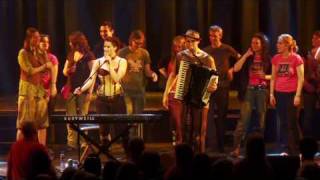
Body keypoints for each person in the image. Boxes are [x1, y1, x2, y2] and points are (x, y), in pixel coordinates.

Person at [74, 37, 128, 153]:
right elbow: (91, 79)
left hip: (117, 98)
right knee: (104, 129)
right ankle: (106, 153)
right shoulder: (98, 61)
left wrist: (109, 64)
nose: (106, 49)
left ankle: (128, 153)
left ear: (115, 48)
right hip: (102, 99)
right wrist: (81, 89)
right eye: (104, 46)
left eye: (108, 46)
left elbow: (116, 78)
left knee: (122, 128)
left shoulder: (122, 61)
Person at [230, 33, 271, 157]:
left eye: (256, 43)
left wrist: (265, 76)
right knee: (243, 120)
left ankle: (259, 150)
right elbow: (236, 68)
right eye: (252, 42)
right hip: (249, 90)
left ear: (262, 45)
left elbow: (274, 76)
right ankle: (236, 148)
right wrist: (246, 55)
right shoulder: (248, 57)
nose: (253, 45)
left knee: (261, 120)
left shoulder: (268, 58)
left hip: (262, 90)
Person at [176, 30, 217, 152]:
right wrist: (169, 90)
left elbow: (214, 76)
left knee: (199, 129)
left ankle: (201, 154)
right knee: (184, 126)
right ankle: (186, 153)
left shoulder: (207, 58)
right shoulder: (181, 56)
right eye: (187, 42)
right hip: (185, 94)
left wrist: (213, 86)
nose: (189, 44)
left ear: (198, 41)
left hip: (202, 96)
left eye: (192, 42)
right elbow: (175, 74)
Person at [203, 25, 241, 153]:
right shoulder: (206, 51)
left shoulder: (227, 49)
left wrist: (232, 69)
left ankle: (220, 145)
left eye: (215, 35)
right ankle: (212, 144)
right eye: (211, 36)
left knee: (221, 116)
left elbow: (240, 58)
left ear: (220, 36)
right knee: (208, 116)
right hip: (209, 87)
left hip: (223, 86)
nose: (213, 38)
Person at [16, 27, 53, 145]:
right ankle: (20, 151)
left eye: (39, 37)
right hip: (27, 93)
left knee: (42, 124)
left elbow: (49, 67)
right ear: (29, 39)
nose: (38, 40)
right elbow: (29, 70)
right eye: (35, 37)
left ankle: (41, 150)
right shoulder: (23, 53)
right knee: (24, 125)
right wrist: (44, 66)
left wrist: (44, 55)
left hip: (39, 91)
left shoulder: (40, 53)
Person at [118, 30, 158, 137]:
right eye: (137, 43)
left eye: (141, 43)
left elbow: (147, 71)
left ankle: (137, 139)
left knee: (138, 116)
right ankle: (131, 139)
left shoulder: (144, 53)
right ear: (131, 41)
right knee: (130, 115)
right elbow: (117, 70)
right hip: (126, 91)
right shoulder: (122, 53)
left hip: (139, 90)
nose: (139, 45)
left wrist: (153, 74)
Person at [269, 34, 304, 155]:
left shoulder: (296, 58)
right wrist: (271, 94)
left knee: (291, 122)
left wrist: (298, 95)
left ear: (287, 45)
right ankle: (287, 148)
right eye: (278, 43)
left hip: (291, 94)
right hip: (279, 94)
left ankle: (296, 149)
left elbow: (301, 78)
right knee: (283, 122)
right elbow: (273, 78)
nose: (277, 45)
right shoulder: (276, 58)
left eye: (280, 43)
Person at [62, 31, 95, 150]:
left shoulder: (89, 56)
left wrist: (90, 92)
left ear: (77, 43)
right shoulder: (71, 55)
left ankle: (83, 142)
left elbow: (93, 75)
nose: (70, 44)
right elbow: (64, 72)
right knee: (71, 117)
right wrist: (71, 66)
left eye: (71, 42)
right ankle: (71, 143)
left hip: (83, 90)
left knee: (82, 116)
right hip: (71, 89)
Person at [162, 35, 186, 145]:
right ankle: (178, 139)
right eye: (176, 47)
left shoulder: (187, 58)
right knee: (176, 119)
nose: (178, 49)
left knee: (183, 119)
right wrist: (165, 95)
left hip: (185, 93)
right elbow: (171, 76)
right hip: (173, 92)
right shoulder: (172, 59)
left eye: (180, 46)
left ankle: (182, 140)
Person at [39, 34, 59, 144]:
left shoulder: (52, 58)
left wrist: (51, 90)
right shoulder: (34, 57)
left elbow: (53, 78)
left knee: (48, 120)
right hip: (36, 92)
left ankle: (49, 145)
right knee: (37, 121)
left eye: (47, 42)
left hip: (48, 91)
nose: (45, 44)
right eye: (42, 41)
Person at [302, 31, 320, 137]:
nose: (313, 40)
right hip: (309, 87)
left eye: (316, 38)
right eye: (312, 38)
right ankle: (307, 140)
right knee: (308, 115)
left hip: (318, 87)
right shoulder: (309, 54)